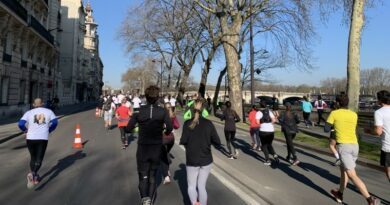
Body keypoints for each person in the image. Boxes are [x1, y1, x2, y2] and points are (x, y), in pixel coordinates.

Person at [324, 95, 380, 205]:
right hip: (354, 145)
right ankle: (340, 193)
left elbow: (326, 129)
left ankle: (370, 200)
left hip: (344, 147)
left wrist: (334, 127)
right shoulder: (354, 114)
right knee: (344, 172)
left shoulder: (334, 113)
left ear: (338, 103)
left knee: (352, 175)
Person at [126, 86, 173, 205]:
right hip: (156, 147)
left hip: (143, 148)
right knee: (152, 176)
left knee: (143, 176)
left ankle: (144, 199)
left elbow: (128, 128)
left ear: (145, 97)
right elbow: (170, 128)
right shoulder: (163, 111)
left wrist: (136, 128)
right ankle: (149, 202)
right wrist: (165, 132)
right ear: (157, 97)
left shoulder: (138, 111)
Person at [180, 99, 221, 205]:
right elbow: (217, 142)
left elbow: (184, 141)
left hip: (192, 158)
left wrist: (190, 147)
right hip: (206, 158)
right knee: (201, 186)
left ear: (192, 109)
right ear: (204, 110)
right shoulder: (208, 124)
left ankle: (194, 203)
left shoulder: (187, 124)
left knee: (191, 186)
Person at [18, 98, 58, 189]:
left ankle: (34, 177)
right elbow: (55, 122)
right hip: (42, 138)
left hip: (30, 138)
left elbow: (20, 124)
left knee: (33, 157)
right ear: (42, 103)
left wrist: (25, 130)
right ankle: (32, 174)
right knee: (39, 159)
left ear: (33, 104)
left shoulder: (29, 113)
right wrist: (49, 130)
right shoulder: (49, 111)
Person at [161, 103, 180, 184]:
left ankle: (166, 176)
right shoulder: (173, 116)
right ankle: (167, 169)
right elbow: (177, 126)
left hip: (163, 138)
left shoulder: (161, 116)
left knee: (163, 157)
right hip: (171, 139)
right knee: (166, 153)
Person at [373, 90, 390, 182]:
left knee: (388, 171)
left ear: (379, 100)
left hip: (388, 146)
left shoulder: (379, 112)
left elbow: (378, 132)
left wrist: (369, 131)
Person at [256, 101, 279, 166]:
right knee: (269, 144)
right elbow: (274, 120)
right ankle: (274, 155)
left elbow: (257, 122)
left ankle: (268, 160)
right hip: (271, 130)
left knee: (264, 145)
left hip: (263, 130)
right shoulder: (269, 111)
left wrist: (262, 124)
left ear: (260, 106)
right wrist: (270, 124)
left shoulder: (259, 112)